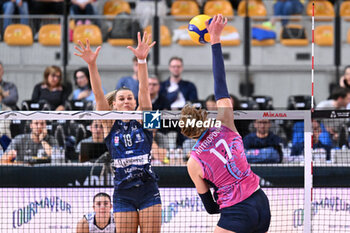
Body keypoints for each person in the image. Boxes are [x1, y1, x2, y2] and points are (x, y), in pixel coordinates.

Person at [180, 14, 270, 232]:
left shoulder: (193, 162)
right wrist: (216, 40)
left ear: (186, 132)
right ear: (204, 116)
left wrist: (218, 184)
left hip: (236, 211)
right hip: (260, 200)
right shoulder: (225, 124)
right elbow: (220, 83)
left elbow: (211, 208)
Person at [74, 32, 161, 233]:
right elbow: (97, 94)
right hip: (123, 193)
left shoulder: (145, 120)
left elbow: (145, 91)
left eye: (130, 98)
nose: (127, 101)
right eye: (121, 98)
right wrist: (91, 64)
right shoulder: (109, 123)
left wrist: (142, 60)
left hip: (148, 189)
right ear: (113, 104)